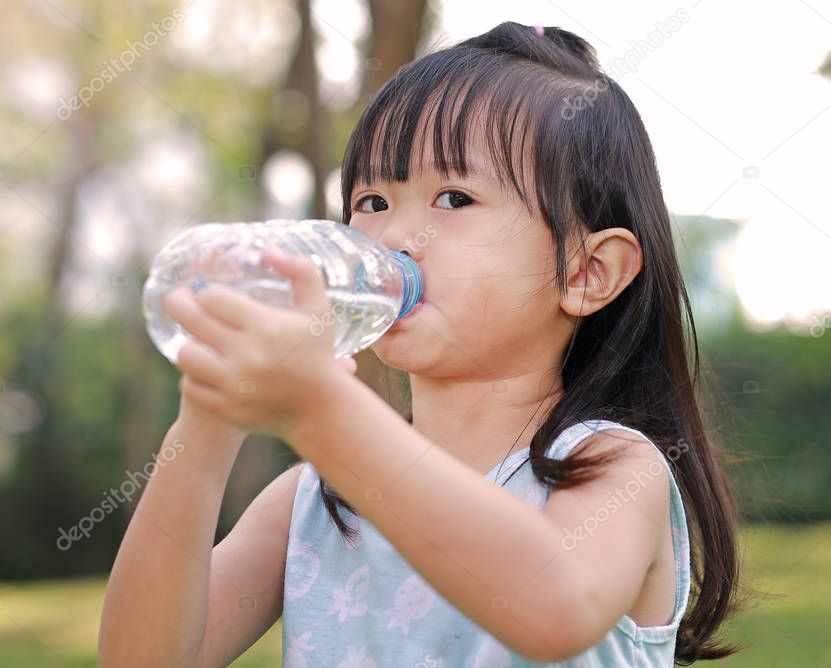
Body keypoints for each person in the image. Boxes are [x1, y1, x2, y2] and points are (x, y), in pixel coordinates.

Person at [99, 20, 743, 667]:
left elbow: (554, 609)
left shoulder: (610, 467)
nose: (397, 237)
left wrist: (319, 409)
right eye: (373, 199)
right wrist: (205, 429)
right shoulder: (317, 503)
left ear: (586, 272)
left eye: (453, 198)